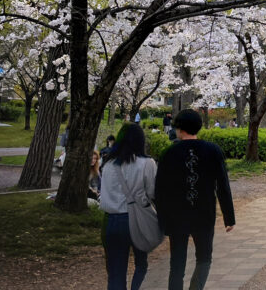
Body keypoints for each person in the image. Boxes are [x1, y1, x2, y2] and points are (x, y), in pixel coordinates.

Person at [155, 109, 235, 290]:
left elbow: (160, 190)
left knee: (177, 263)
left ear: (180, 128)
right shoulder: (213, 150)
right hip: (204, 213)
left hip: (176, 216)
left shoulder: (169, 153)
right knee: (204, 257)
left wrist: (162, 219)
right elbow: (223, 185)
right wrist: (229, 217)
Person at [99, 123, 156, 290]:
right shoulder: (147, 163)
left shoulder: (108, 164)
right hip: (138, 220)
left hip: (111, 221)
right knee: (141, 264)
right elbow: (153, 193)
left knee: (115, 272)